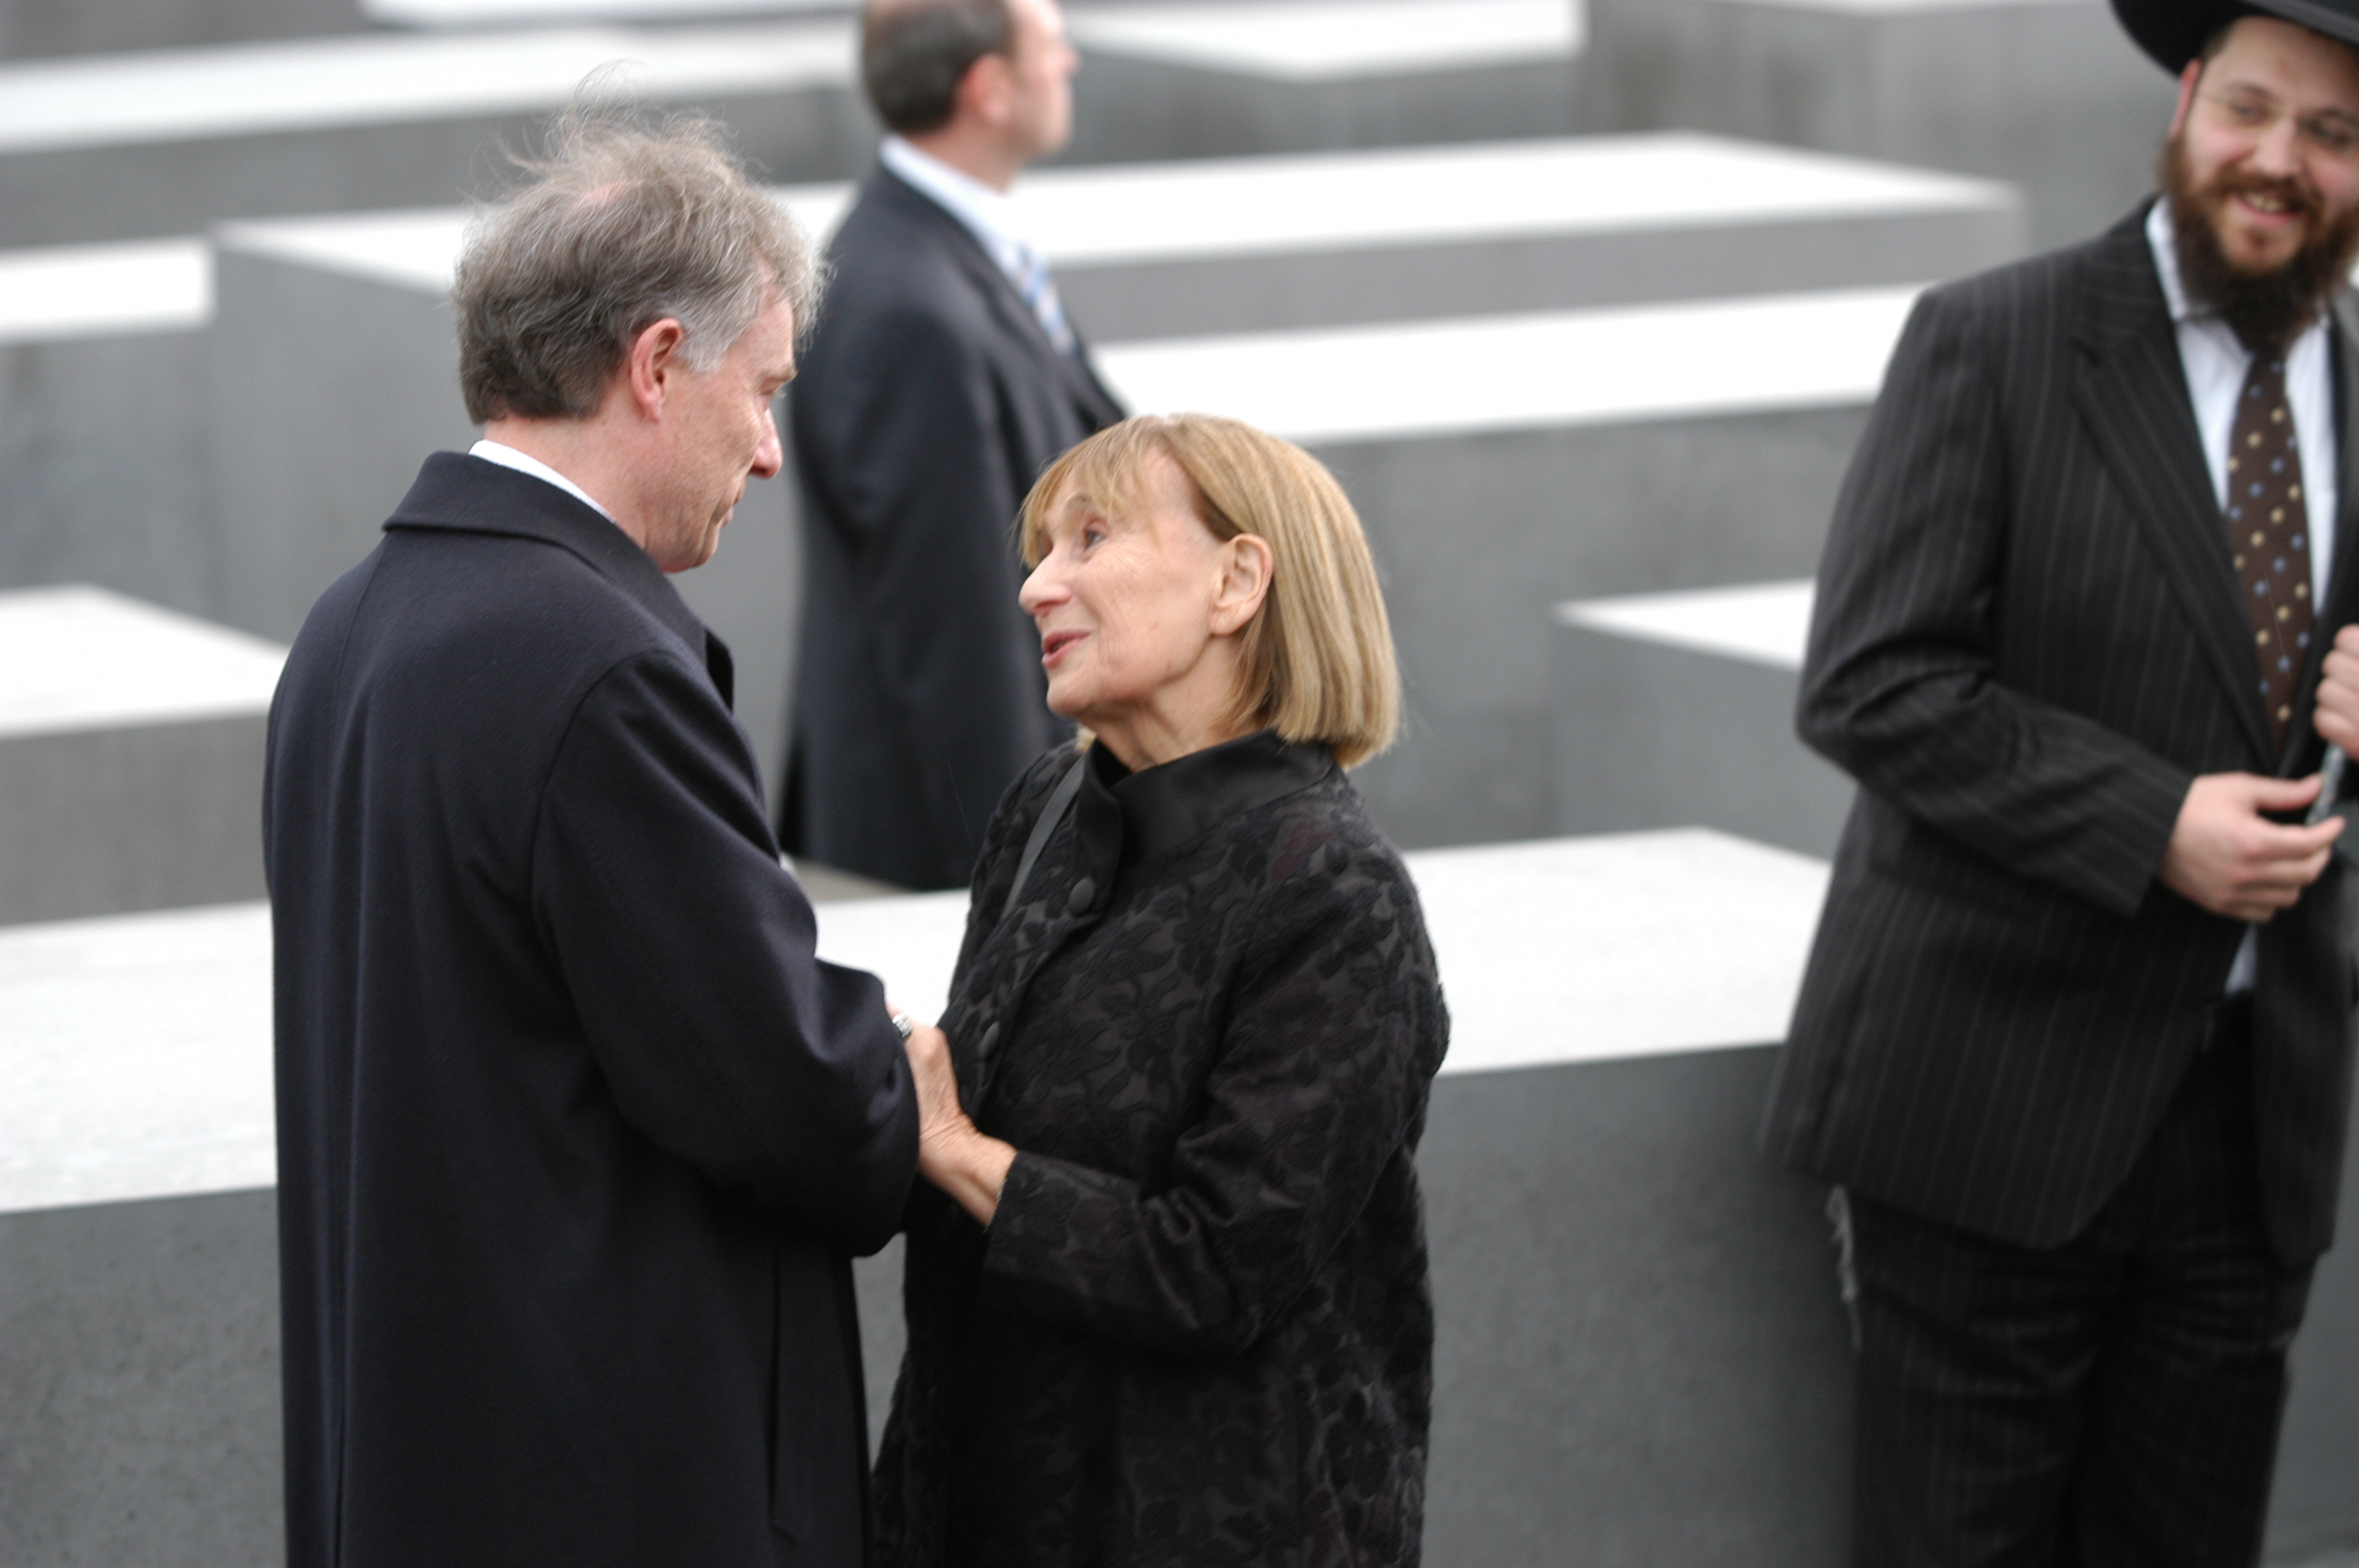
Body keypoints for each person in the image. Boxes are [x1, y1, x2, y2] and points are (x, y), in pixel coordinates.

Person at [262, 111, 926, 1568]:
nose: (766, 454)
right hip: (617, 1486)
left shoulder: (346, 628)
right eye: (761, 395)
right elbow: (785, 1097)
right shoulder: (596, 662)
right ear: (654, 364)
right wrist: (896, 1070)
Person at [1761, 2, 2359, 1562]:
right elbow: (1869, 682)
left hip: (2257, 1133)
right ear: (2183, 100)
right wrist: (2152, 822)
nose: (2276, 161)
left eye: (2332, 134)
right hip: (1987, 1107)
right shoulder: (1990, 335)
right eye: (2250, 109)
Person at [867, 413, 1448, 1566]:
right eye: (1040, 551)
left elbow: (1217, 1269)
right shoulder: (1046, 809)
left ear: (1239, 581)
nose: (1039, 586)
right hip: (970, 1505)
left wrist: (951, 1144)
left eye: (1091, 539)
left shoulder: (1337, 894)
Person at [782, 0, 1124, 892]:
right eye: (1049, 45)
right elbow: (960, 632)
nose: (1070, 62)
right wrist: (1039, 868)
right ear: (988, 88)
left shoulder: (941, 254)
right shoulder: (908, 307)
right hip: (940, 853)